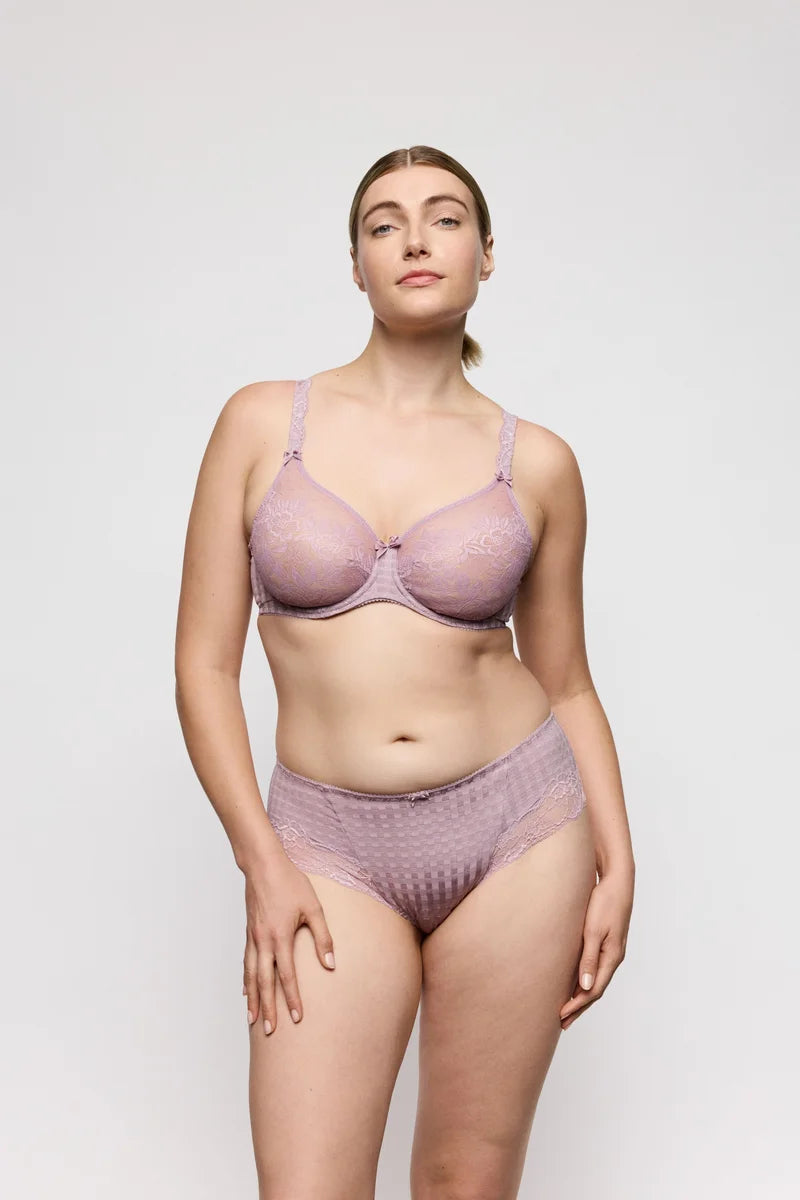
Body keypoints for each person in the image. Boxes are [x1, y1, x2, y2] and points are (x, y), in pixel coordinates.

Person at [175, 144, 635, 1199]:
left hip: (517, 832)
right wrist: (262, 860)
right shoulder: (261, 423)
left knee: (466, 1181)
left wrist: (618, 861)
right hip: (324, 843)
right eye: (384, 223)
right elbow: (202, 665)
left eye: (444, 217)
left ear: (485, 254)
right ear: (356, 264)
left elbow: (565, 679)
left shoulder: (539, 461)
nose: (415, 238)